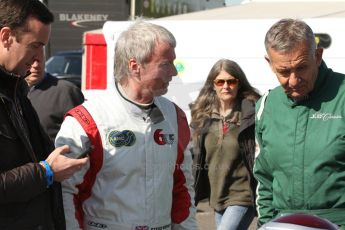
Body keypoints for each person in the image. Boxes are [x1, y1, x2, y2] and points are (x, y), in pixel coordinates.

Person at [55, 20, 198, 230]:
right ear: (135, 66)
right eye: (166, 64)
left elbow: (182, 185)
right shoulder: (86, 120)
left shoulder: (175, 116)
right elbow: (66, 191)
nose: (174, 72)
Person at [0, 0, 88, 229]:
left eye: (43, 47)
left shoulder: (16, 91)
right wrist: (45, 172)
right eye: (35, 45)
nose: (39, 57)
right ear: (6, 37)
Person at [254, 18, 345, 227]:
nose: (293, 80)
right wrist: (267, 224)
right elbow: (264, 180)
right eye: (284, 72)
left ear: (318, 56)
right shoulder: (267, 106)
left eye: (301, 68)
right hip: (282, 224)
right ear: (270, 63)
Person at [190, 59, 260, 230]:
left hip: (243, 194)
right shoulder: (203, 116)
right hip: (217, 196)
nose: (226, 86)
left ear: (239, 83)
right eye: (220, 81)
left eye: (231, 81)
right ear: (213, 85)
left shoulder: (251, 114)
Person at [25, 50, 84, 143]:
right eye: (31, 60)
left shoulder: (66, 91)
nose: (36, 65)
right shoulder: (11, 92)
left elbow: (82, 136)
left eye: (39, 60)